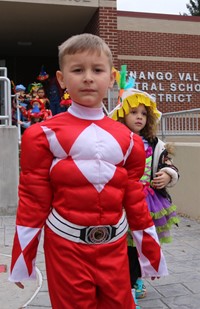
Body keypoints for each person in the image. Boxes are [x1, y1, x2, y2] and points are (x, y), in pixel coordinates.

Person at [9, 33, 168, 309]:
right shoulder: (41, 135)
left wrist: (150, 252)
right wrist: (23, 259)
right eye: (78, 70)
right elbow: (33, 201)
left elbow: (134, 198)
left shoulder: (130, 140)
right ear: (61, 79)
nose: (88, 78)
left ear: (110, 78)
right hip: (65, 249)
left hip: (115, 247)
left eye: (97, 70)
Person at [110, 84, 179, 302]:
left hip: (147, 202)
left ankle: (135, 281)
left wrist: (168, 174)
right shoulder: (115, 142)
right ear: (122, 115)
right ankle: (124, 283)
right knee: (121, 246)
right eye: (133, 112)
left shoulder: (156, 144)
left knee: (139, 245)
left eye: (143, 114)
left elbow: (170, 166)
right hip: (120, 202)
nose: (139, 117)